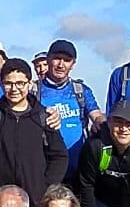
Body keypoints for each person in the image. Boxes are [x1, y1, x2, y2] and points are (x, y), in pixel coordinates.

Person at [0, 59, 67, 207]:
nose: (14, 89)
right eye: (8, 83)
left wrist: (45, 188)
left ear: (29, 84)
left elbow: (59, 156)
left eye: (20, 83)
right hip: (1, 203)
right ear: (1, 84)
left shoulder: (43, 117)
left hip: (36, 203)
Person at [36, 40, 106, 173]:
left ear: (73, 64)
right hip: (46, 169)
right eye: (57, 58)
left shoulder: (81, 90)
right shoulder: (33, 91)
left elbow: (96, 115)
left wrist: (101, 122)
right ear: (48, 59)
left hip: (78, 168)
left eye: (67, 60)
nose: (61, 65)